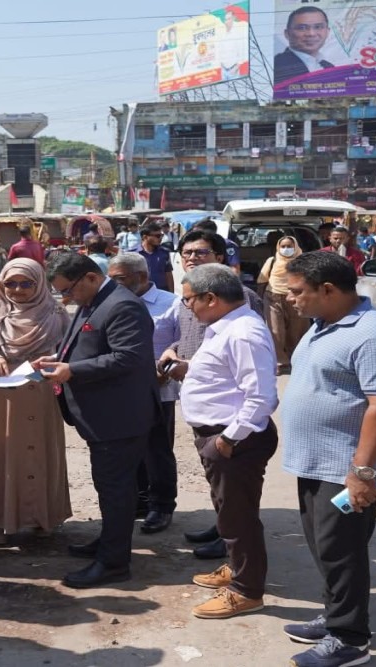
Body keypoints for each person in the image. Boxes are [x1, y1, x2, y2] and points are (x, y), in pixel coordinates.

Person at [279, 251, 376, 667]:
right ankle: (336, 615)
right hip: (314, 462)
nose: (289, 299)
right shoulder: (322, 324)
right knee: (325, 547)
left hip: (346, 469)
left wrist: (362, 472)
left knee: (342, 551)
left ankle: (350, 640)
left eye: (297, 291)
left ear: (328, 290)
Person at [34, 252, 159, 589]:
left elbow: (128, 357)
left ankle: (114, 562)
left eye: (68, 290)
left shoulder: (123, 305)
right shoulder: (94, 300)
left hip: (119, 416)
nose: (66, 298)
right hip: (103, 416)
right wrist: (57, 357)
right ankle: (109, 541)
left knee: (116, 489)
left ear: (90, 277)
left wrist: (72, 370)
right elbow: (86, 342)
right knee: (109, 486)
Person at [174, 264, 278, 620]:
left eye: (189, 300)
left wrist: (228, 440)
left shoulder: (244, 332)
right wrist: (187, 368)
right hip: (221, 435)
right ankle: (236, 568)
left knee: (238, 517)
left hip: (235, 438)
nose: (188, 307)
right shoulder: (224, 327)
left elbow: (261, 396)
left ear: (211, 298)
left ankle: (247, 591)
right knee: (228, 510)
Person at [155, 229, 263, 561]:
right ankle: (222, 527)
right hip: (200, 396)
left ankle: (234, 542)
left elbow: (245, 354)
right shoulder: (189, 297)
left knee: (235, 481)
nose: (191, 258)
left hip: (228, 405)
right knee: (217, 476)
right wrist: (174, 351)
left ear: (219, 257)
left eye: (200, 253)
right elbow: (189, 336)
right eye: (186, 253)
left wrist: (193, 366)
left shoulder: (239, 297)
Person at [0, 259, 72, 545]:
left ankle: (42, 517)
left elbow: (70, 349)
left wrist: (54, 362)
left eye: (26, 283)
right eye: (10, 283)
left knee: (42, 450)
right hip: (2, 395)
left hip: (43, 391)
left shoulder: (55, 312)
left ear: (40, 284)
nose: (18, 289)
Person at [107, 253, 178, 535]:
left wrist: (165, 369)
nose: (114, 285)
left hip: (159, 388)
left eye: (120, 279)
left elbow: (181, 343)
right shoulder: (110, 302)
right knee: (127, 447)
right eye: (111, 279)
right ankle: (139, 500)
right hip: (122, 388)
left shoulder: (171, 303)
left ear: (142, 277)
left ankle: (161, 505)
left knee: (157, 449)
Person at [257, 235, 310, 375]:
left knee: (296, 331)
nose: (286, 249)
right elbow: (262, 280)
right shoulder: (272, 261)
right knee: (275, 331)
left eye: (289, 246)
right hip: (273, 297)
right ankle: (280, 363)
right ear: (278, 248)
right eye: (283, 246)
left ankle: (296, 360)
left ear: (295, 247)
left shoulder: (302, 261)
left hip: (296, 298)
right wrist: (259, 299)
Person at [274, 6, 337, 86]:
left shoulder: (329, 67)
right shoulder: (276, 66)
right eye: (302, 28)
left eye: (318, 27)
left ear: (327, 32)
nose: (311, 34)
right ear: (287, 34)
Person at [137, 222, 175, 292]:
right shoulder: (135, 254)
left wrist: (171, 294)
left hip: (162, 292)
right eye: (157, 236)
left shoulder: (164, 253)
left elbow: (168, 274)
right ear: (145, 237)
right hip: (142, 294)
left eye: (161, 235)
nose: (160, 238)